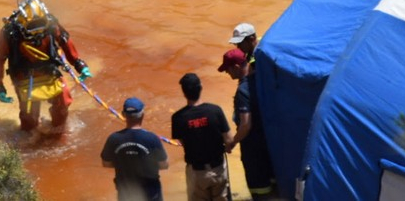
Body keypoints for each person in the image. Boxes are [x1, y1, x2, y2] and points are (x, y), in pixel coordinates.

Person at [0, 0, 92, 133]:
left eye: (40, 26)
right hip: (24, 77)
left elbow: (65, 42)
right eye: (32, 28)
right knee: (29, 119)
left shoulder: (51, 25)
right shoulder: (9, 34)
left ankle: (58, 132)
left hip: (50, 72)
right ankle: (29, 138)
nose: (37, 32)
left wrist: (80, 65)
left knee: (62, 106)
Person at [219, 49, 275, 199]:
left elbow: (245, 125)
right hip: (271, 143)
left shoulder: (243, 91)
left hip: (253, 150)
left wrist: (232, 142)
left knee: (260, 191)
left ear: (236, 67)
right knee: (275, 186)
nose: (227, 73)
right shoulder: (261, 80)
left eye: (228, 69)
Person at [171, 73, 233, 201]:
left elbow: (182, 142)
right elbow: (228, 140)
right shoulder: (215, 111)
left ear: (184, 92)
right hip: (218, 168)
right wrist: (227, 148)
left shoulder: (178, 118)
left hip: (196, 172)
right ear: (201, 87)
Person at [101, 97, 169, 201]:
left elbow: (106, 163)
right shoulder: (152, 138)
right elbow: (164, 165)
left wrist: (125, 162)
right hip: (150, 195)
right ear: (142, 115)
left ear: (123, 115)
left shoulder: (114, 138)